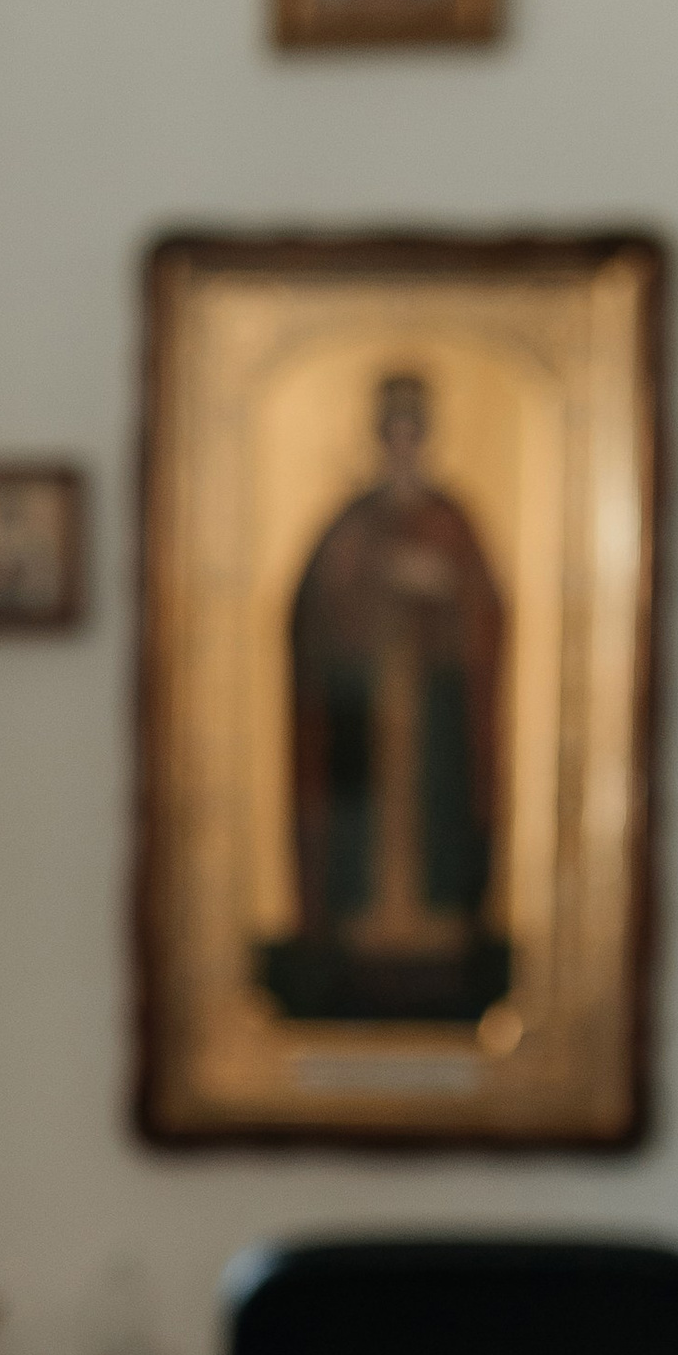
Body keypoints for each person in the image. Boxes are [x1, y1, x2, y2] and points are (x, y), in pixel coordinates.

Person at [258, 368, 511, 1030]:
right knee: (359, 827)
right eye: (392, 431)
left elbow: (484, 612)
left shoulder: (451, 520)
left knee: (435, 814)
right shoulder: (352, 522)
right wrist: (371, 586)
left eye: (413, 431)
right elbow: (311, 614)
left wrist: (441, 592)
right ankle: (349, 928)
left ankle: (442, 927)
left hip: (435, 707)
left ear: (425, 439)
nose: (403, 444)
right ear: (379, 438)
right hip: (361, 708)